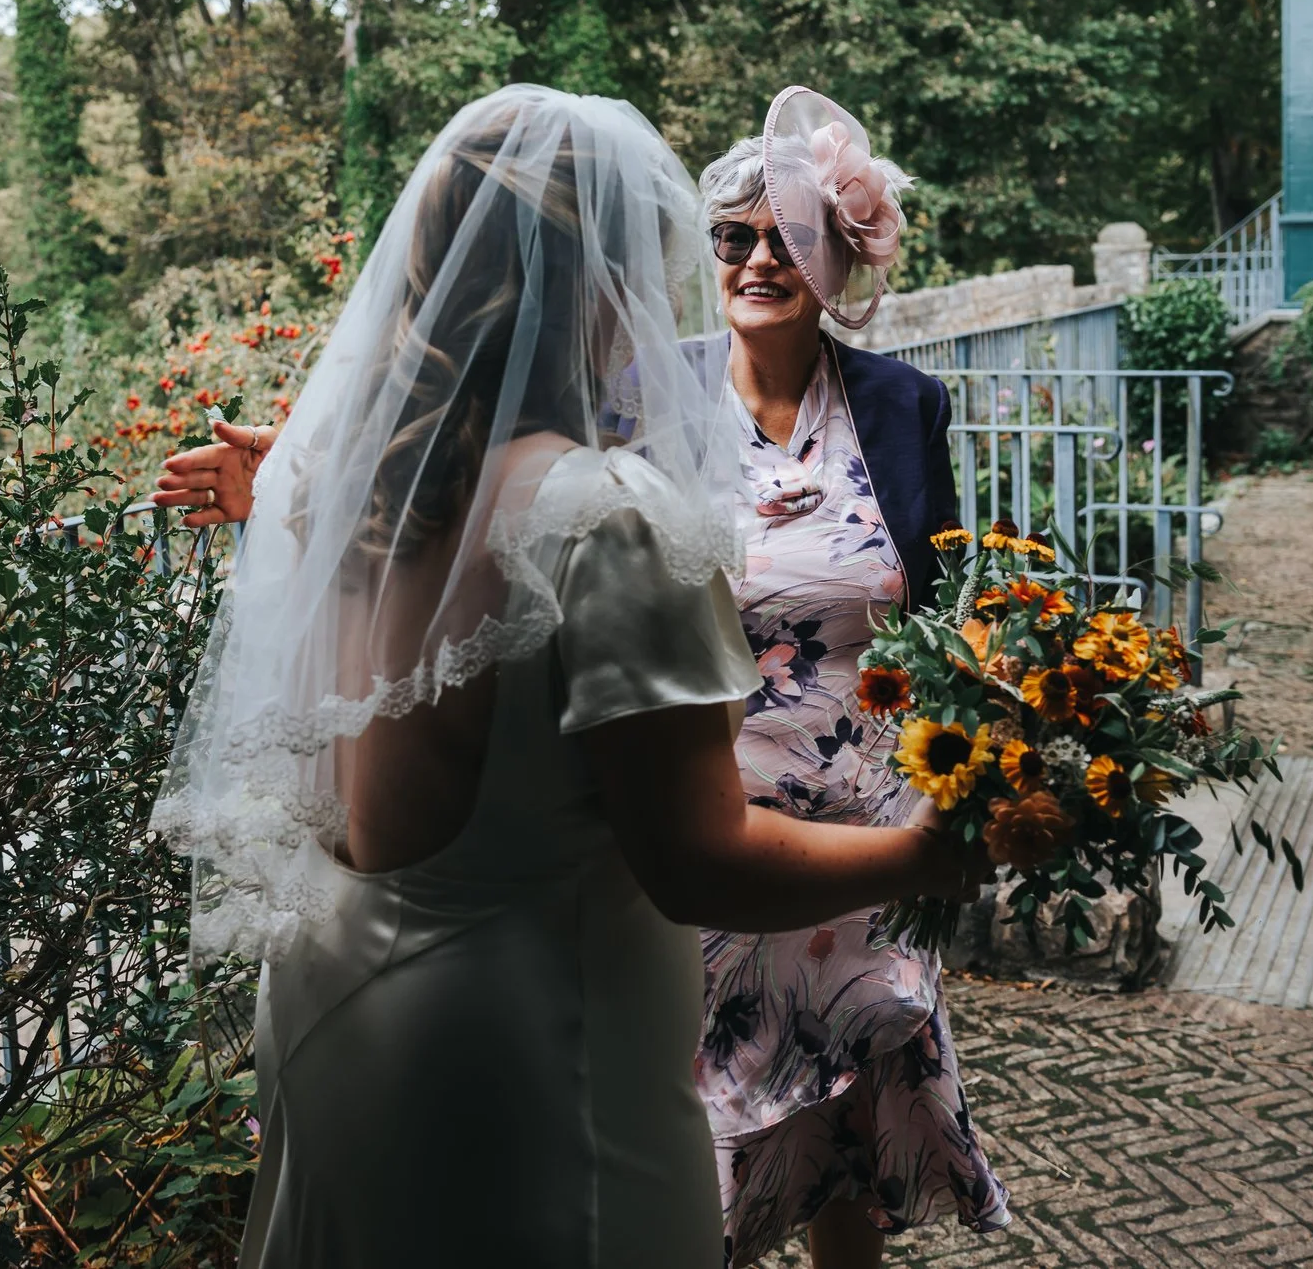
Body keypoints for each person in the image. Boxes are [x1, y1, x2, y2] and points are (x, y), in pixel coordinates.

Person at [147, 85, 987, 1269]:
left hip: (345, 1027)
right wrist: (941, 849)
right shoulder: (607, 516)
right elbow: (696, 855)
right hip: (530, 1065)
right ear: (597, 280)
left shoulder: (338, 492)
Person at [689, 87, 1010, 1268]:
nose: (759, 257)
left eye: (787, 235)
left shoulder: (900, 403)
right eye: (737, 235)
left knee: (850, 1136)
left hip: (870, 830)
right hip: (712, 836)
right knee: (706, 1143)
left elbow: (944, 609)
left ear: (834, 257)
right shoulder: (647, 403)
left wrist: (963, 780)